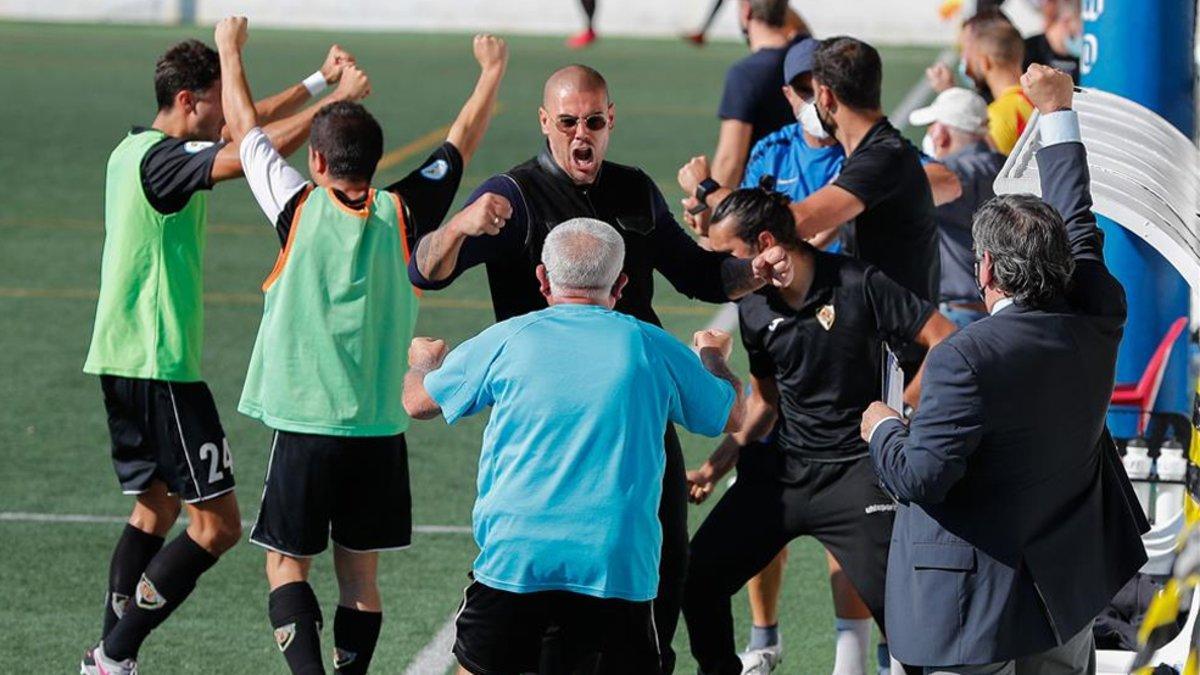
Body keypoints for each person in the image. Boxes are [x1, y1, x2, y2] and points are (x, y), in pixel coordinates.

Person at [408, 63, 792, 673]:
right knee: (529, 626)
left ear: (611, 121)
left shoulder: (634, 190)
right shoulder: (512, 196)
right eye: (567, 123)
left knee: (658, 583)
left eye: (593, 121)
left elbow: (698, 273)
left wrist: (754, 273)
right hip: (543, 427)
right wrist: (458, 225)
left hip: (635, 419)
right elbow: (424, 270)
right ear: (546, 123)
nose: (580, 135)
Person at [217, 19, 507, 674]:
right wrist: (490, 73)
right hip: (378, 429)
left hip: (305, 425)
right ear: (375, 162)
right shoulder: (403, 213)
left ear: (316, 162)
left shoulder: (297, 206)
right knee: (360, 579)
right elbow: (459, 144)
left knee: (286, 563)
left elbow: (245, 130)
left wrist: (230, 53)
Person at [80, 22, 364, 675]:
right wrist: (335, 108)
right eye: (214, 102)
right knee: (219, 526)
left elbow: (245, 120)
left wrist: (318, 80)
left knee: (154, 505)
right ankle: (112, 653)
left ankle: (109, 661)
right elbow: (248, 152)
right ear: (188, 101)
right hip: (160, 367)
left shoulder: (131, 149)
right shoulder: (162, 162)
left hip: (120, 360)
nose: (223, 115)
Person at [860, 65, 1149, 674]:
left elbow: (921, 478)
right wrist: (1056, 114)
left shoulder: (965, 357)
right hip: (1064, 591)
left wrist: (883, 427)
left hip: (971, 614)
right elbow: (1078, 221)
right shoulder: (1098, 314)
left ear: (984, 268)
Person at [403, 218, 748, 675]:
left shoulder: (509, 338)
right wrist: (712, 357)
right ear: (621, 284)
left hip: (516, 557)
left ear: (543, 279)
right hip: (615, 564)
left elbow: (417, 402)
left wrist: (422, 364)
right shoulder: (650, 344)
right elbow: (732, 415)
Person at [682, 188, 956, 675]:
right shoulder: (754, 307)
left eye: (729, 257)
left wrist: (899, 411)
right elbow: (767, 401)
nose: (723, 272)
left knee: (908, 619)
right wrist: (716, 463)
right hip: (783, 475)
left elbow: (944, 338)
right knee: (696, 579)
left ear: (766, 242)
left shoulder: (856, 281)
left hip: (856, 474)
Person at [683, 36, 942, 306]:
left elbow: (792, 221)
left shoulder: (880, 158)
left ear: (825, 96)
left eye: (813, 93)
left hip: (899, 337)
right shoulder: (875, 153)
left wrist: (707, 189)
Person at [909, 87, 1006, 328]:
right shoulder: (1005, 166)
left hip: (958, 315)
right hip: (1003, 310)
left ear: (941, 134)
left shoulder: (950, 176)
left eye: (932, 127)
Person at [711, 0, 806, 188]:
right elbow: (800, 26)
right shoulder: (805, 56)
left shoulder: (746, 74)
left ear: (746, 11)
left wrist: (711, 209)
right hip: (806, 188)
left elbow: (730, 161)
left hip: (761, 197)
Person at [930, 12, 1033, 155]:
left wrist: (949, 96)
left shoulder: (994, 119)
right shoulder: (1040, 97)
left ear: (985, 62)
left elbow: (972, 167)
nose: (964, 61)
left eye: (968, 56)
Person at [1023, 0, 1082, 84]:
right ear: (1066, 20)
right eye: (1080, 24)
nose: (1081, 31)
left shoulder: (1082, 58)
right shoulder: (1028, 50)